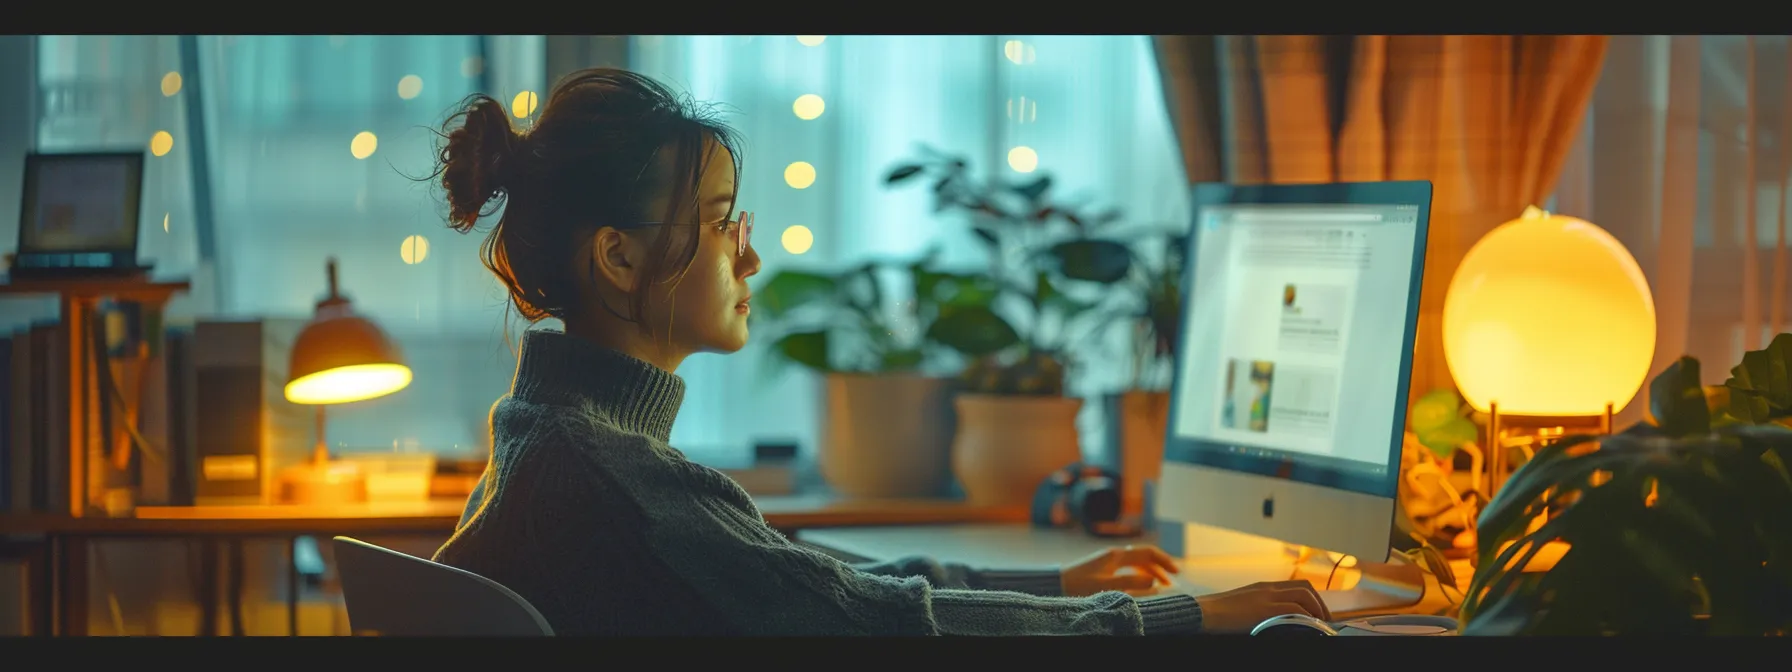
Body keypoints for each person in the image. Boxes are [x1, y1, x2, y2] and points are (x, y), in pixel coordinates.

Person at [428, 67, 1330, 636]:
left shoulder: (549, 434)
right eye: (714, 224)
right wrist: (1181, 619)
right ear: (618, 256)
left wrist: (1057, 580)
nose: (749, 254)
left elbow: (800, 584)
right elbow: (866, 619)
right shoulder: (612, 478)